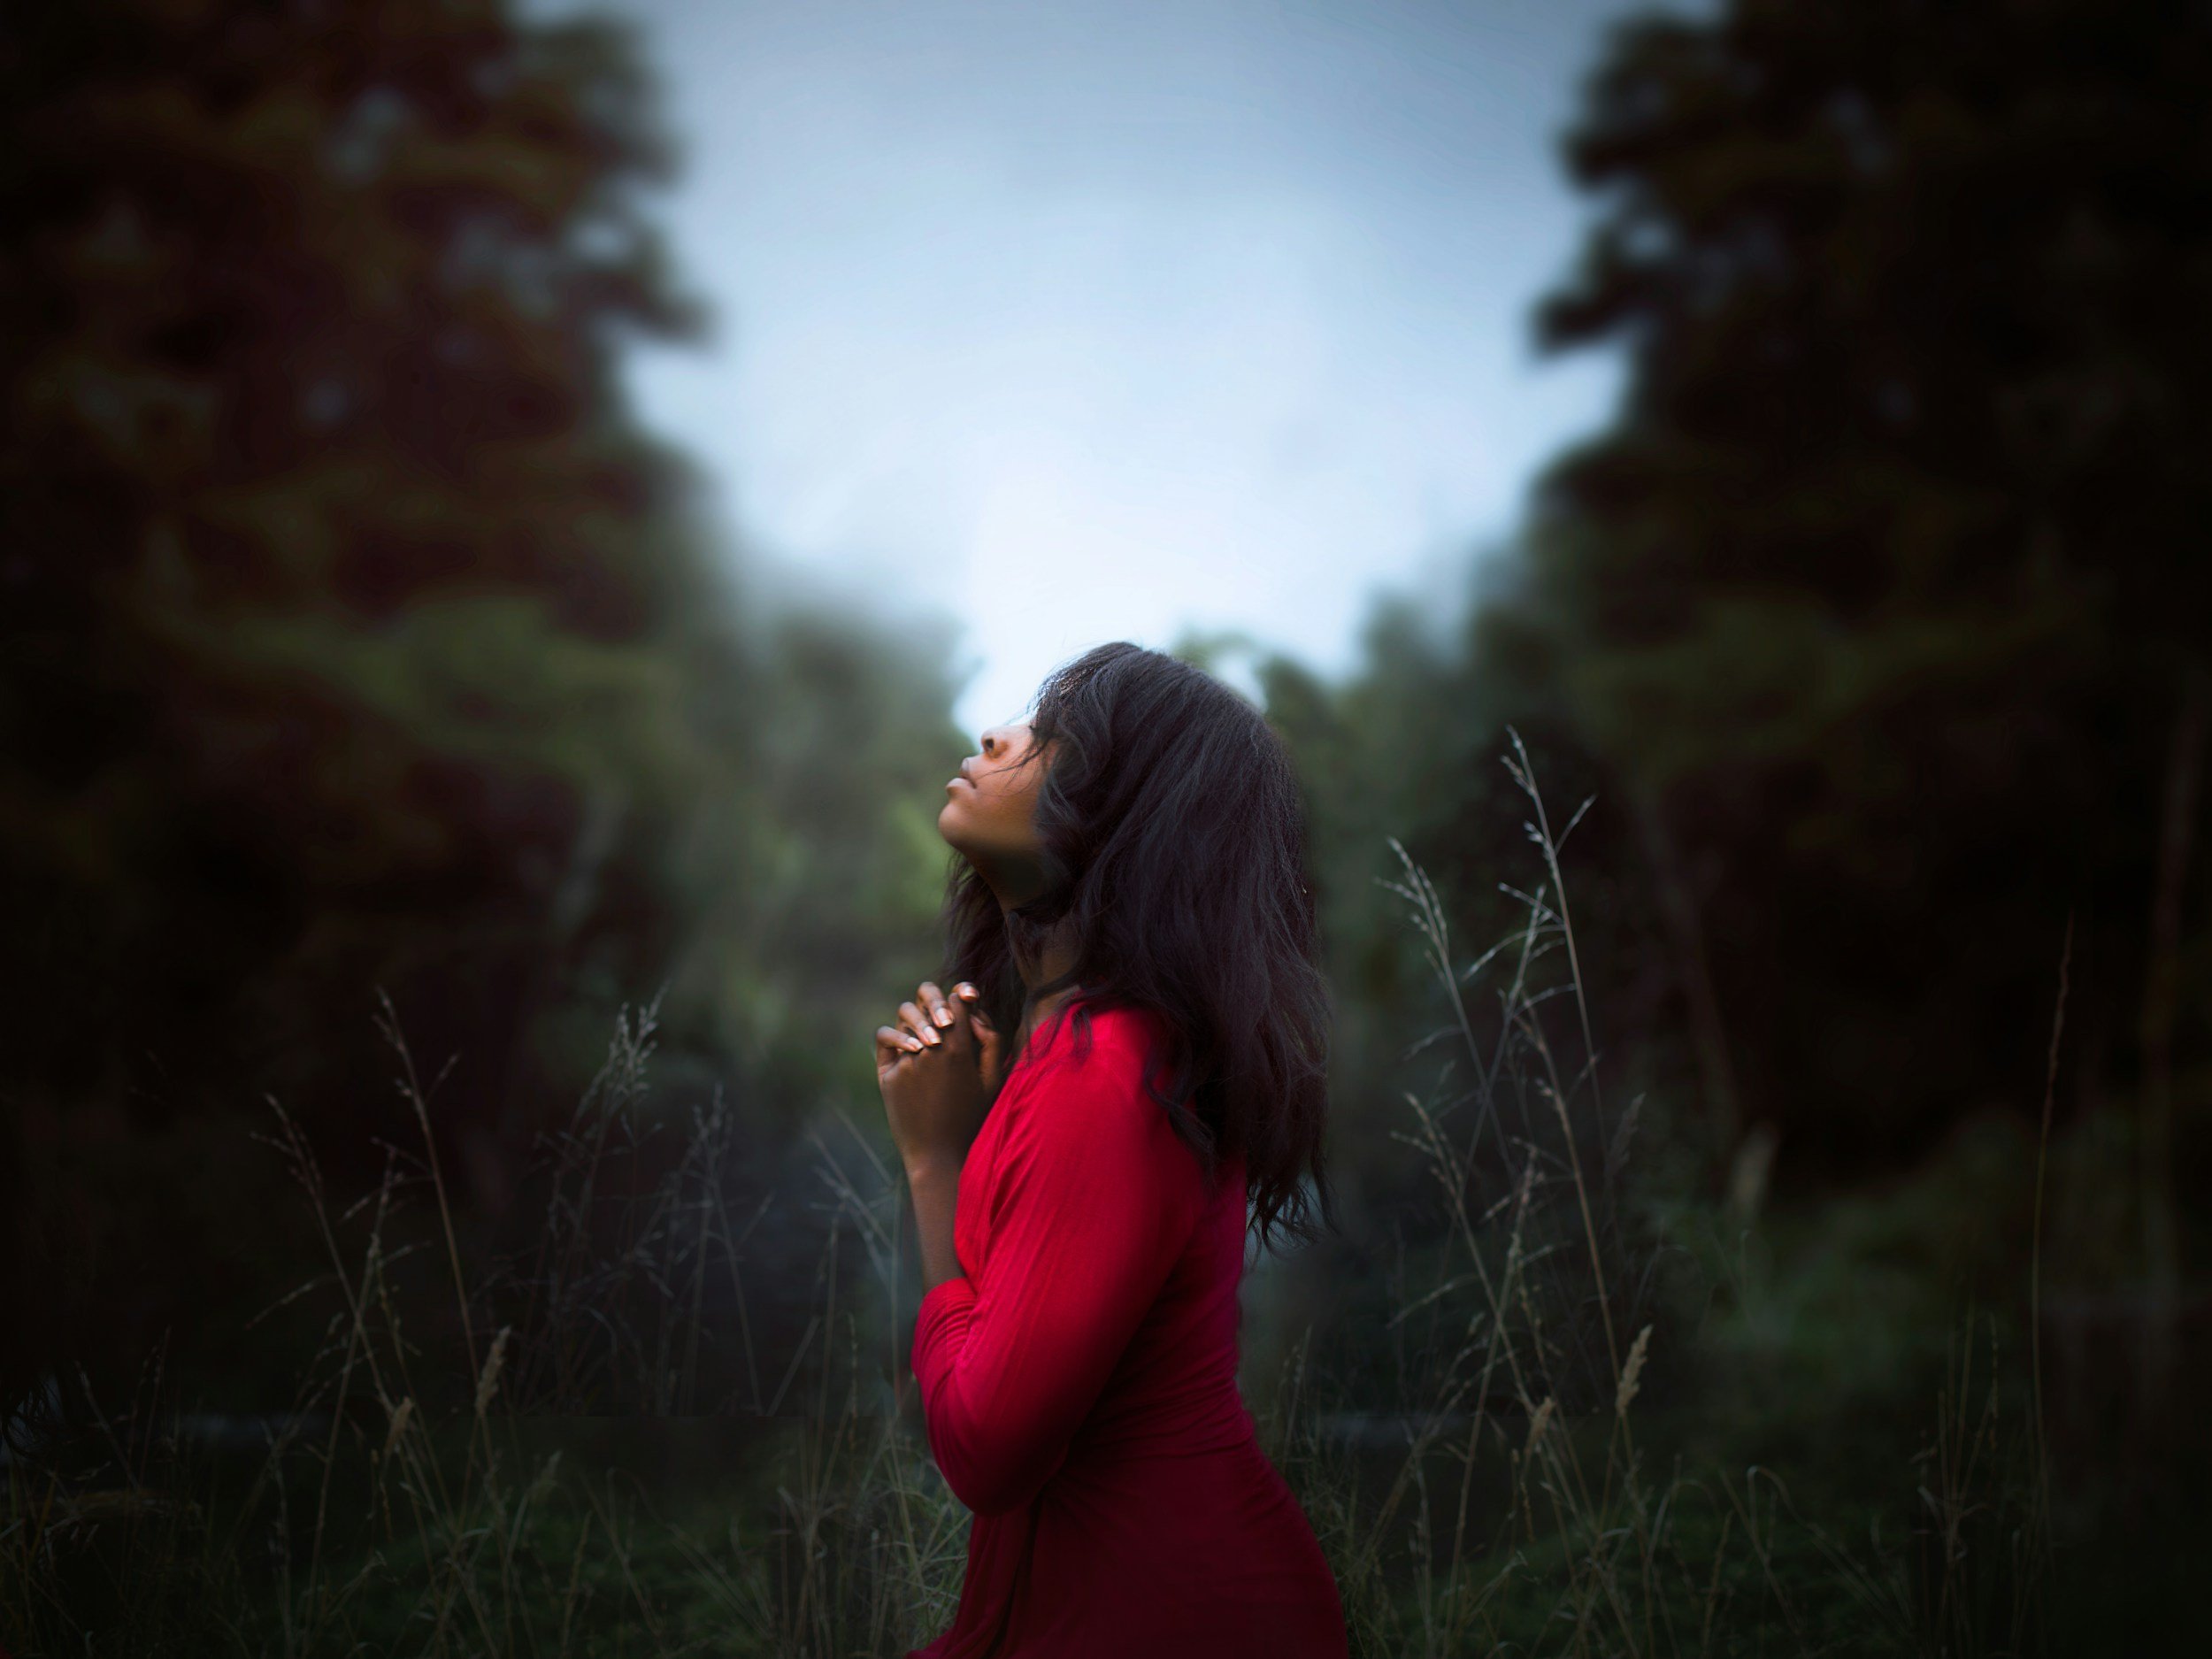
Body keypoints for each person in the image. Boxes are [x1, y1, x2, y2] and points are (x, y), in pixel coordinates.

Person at [876, 641, 1350, 1655]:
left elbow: (987, 1450)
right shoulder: (1088, 1053)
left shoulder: (1109, 1077)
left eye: (1051, 740)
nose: (995, 737)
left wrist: (931, 1162)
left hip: (1169, 1614)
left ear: (1129, 816)